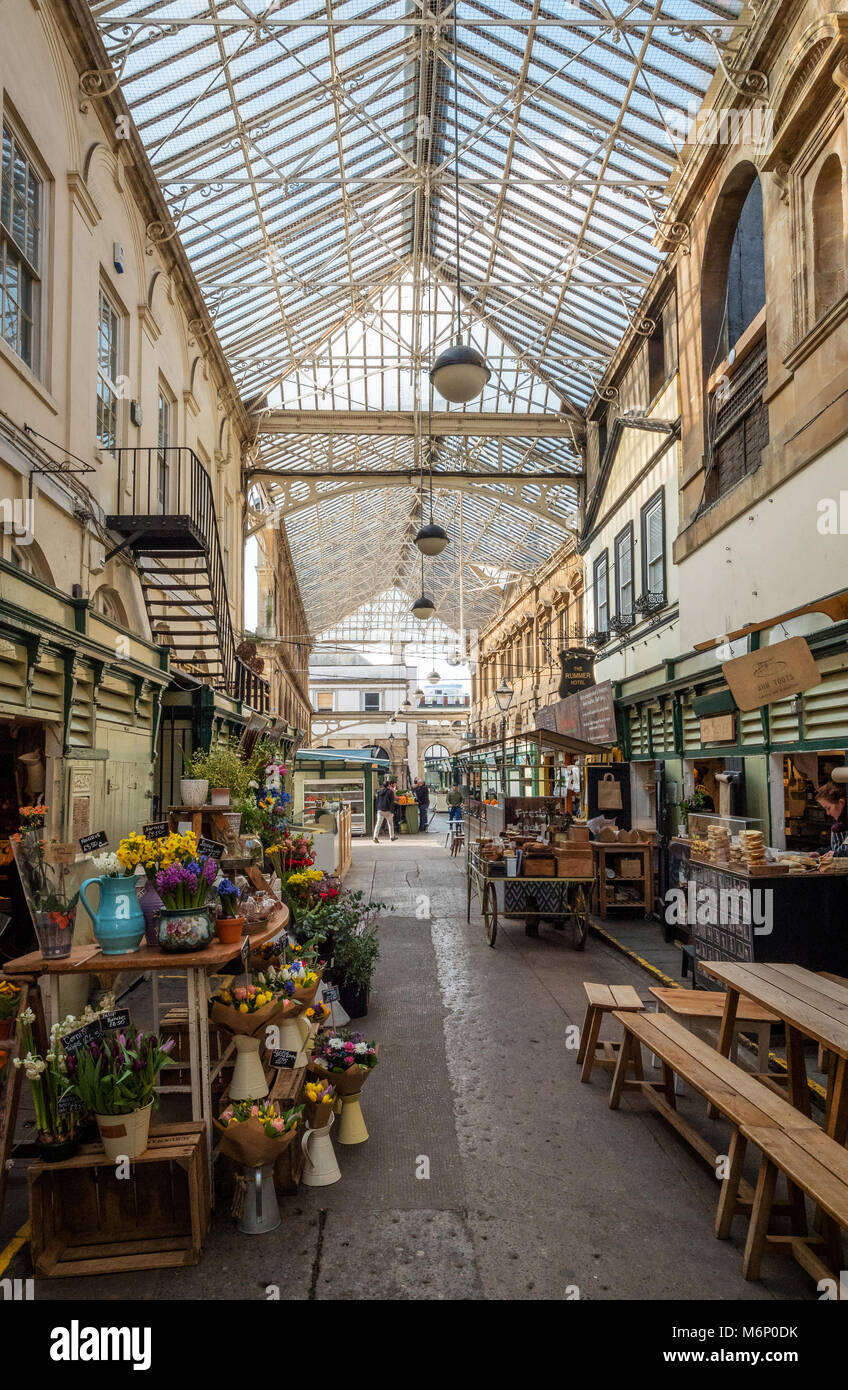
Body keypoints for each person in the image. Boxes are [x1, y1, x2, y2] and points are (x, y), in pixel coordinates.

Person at [815, 780, 848, 860]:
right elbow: (838, 847)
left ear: (841, 803)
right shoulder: (840, 823)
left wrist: (837, 855)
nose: (828, 813)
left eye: (828, 808)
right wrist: (820, 853)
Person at [373, 777, 397, 843]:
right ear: (389, 785)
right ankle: (392, 837)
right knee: (390, 824)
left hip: (380, 810)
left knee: (378, 824)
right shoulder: (390, 792)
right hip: (388, 810)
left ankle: (375, 837)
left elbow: (377, 801)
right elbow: (391, 802)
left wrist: (377, 809)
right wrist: (392, 811)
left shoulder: (379, 792)